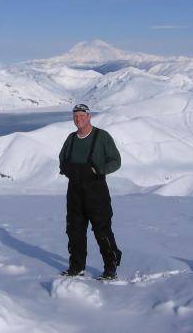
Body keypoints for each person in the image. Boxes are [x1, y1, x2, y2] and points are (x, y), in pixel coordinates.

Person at [58, 103, 122, 280]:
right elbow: (62, 159)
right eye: (75, 116)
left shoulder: (102, 137)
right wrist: (66, 169)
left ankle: (111, 268)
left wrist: (98, 170)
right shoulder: (71, 139)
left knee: (102, 231)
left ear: (89, 116)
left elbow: (116, 161)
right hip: (75, 193)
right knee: (74, 230)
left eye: (81, 116)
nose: (78, 119)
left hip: (96, 193)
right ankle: (76, 267)